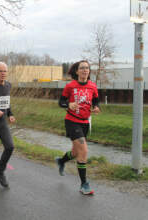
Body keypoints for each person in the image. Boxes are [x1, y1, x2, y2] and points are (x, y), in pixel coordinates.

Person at [55, 60, 100, 195]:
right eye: (82, 68)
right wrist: (68, 104)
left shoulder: (93, 86)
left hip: (85, 122)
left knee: (76, 153)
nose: (85, 70)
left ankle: (61, 161)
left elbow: (96, 101)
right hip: (72, 121)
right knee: (84, 151)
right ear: (77, 71)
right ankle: (84, 184)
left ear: (89, 71)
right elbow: (61, 102)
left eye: (87, 68)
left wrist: (96, 107)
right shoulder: (70, 86)